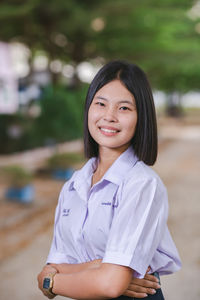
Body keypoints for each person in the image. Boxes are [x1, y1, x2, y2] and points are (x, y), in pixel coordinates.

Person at [37, 60, 181, 299]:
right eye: (100, 104)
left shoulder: (142, 184)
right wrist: (96, 268)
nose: (109, 116)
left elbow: (109, 285)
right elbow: (52, 267)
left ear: (141, 117)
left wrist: (51, 281)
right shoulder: (74, 185)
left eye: (124, 108)